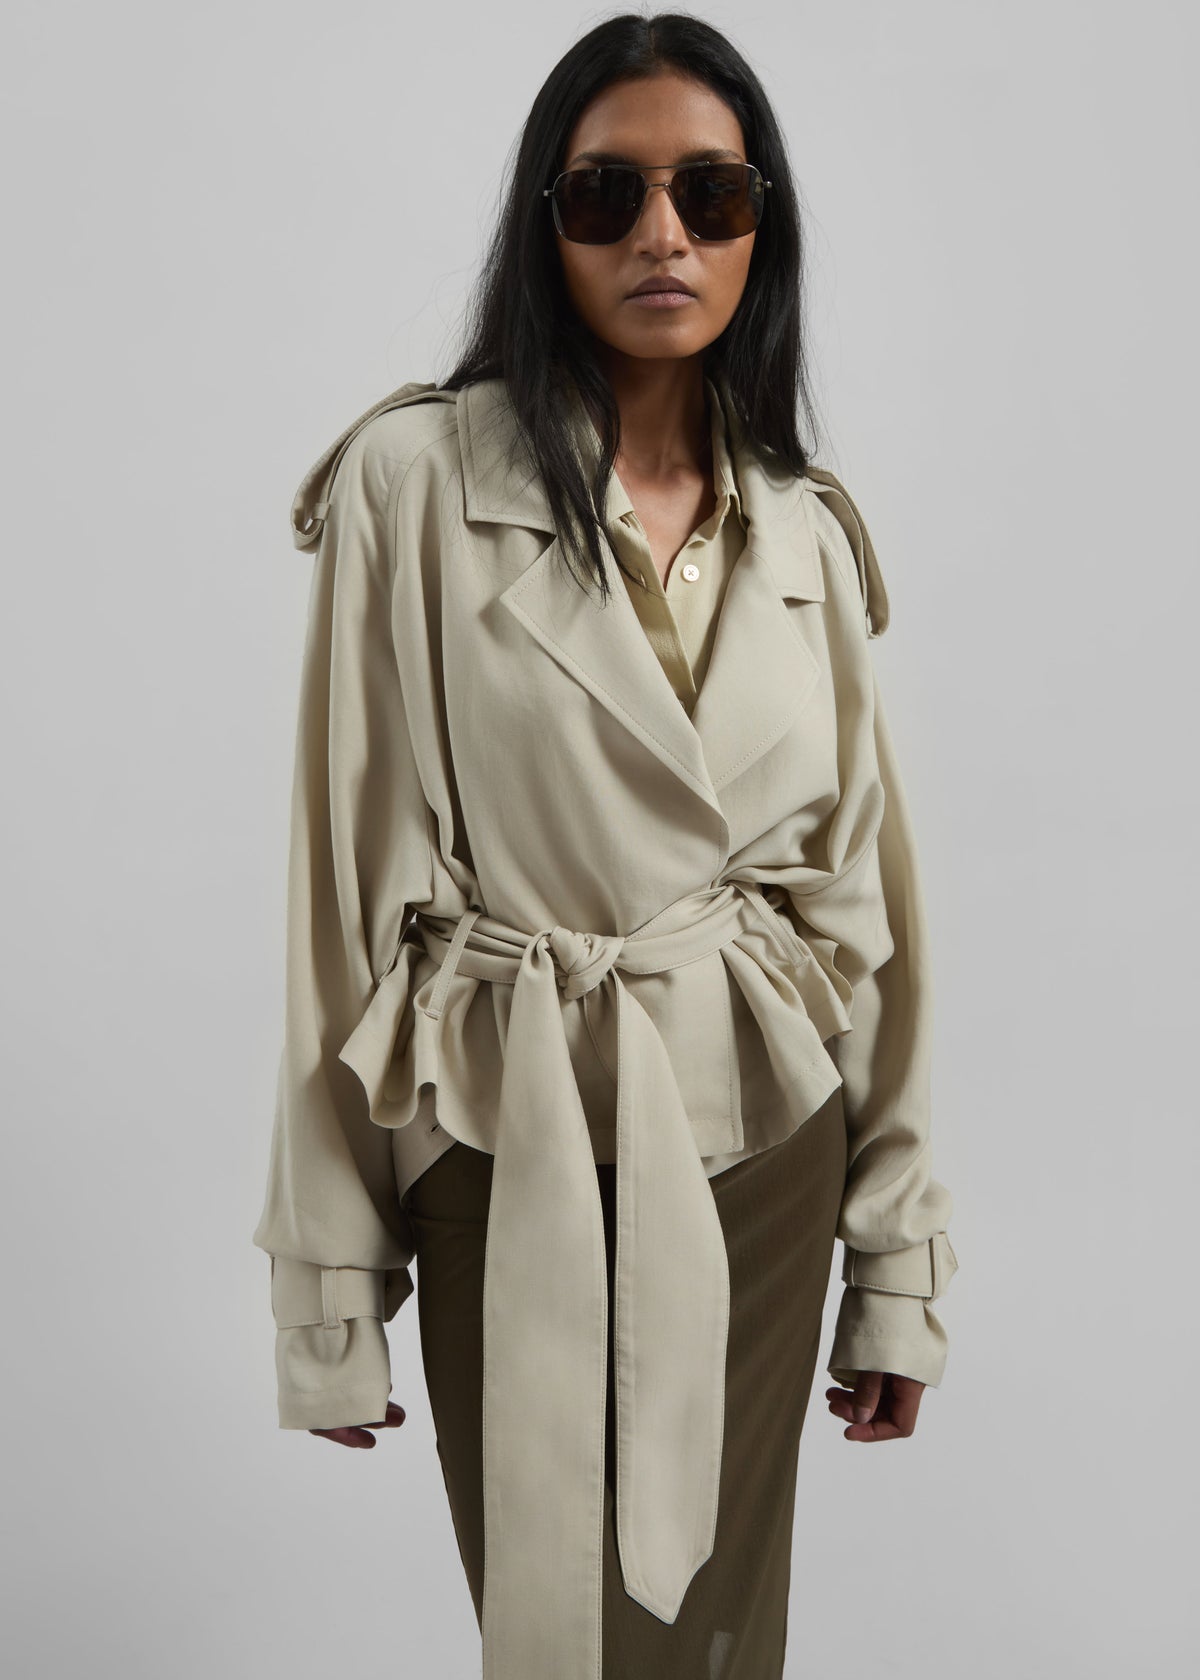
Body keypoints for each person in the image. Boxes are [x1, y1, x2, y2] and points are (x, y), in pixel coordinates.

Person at [251, 12, 959, 1679]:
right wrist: (330, 1285)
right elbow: (341, 897)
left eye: (712, 195)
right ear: (545, 223)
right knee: (567, 1628)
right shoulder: (415, 481)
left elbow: (868, 915)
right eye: (606, 194)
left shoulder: (800, 524)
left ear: (761, 227)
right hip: (510, 1134)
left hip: (767, 1141)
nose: (663, 235)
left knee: (718, 1639)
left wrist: (897, 1259)